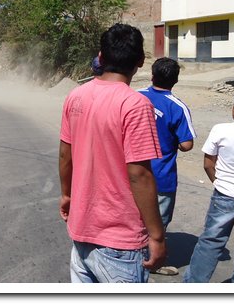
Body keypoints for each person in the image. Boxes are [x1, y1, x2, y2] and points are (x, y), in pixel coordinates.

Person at [59, 23, 166, 283]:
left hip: (81, 233)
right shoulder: (135, 104)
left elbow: (65, 155)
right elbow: (139, 174)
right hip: (120, 242)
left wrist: (66, 194)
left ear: (100, 57)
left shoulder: (76, 96)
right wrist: (157, 235)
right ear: (140, 61)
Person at [183, 90, 234, 283]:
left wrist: (218, 182)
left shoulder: (221, 130)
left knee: (211, 241)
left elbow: (208, 164)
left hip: (226, 193)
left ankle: (194, 284)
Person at [138, 57, 196, 276]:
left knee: (134, 217)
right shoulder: (177, 107)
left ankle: (130, 256)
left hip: (133, 171)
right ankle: (152, 262)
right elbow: (187, 145)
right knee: (158, 222)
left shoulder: (136, 96)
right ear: (176, 80)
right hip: (161, 175)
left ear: (152, 75)